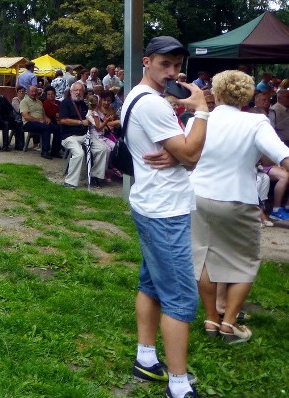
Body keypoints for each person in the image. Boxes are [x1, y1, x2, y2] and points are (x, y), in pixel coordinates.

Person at [121, 36, 209, 398]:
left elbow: (179, 150)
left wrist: (178, 151)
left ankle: (145, 358)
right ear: (147, 61)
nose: (172, 72)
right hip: (164, 210)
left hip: (150, 201)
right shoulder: (154, 105)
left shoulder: (139, 97)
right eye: (164, 65)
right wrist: (201, 108)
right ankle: (177, 382)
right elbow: (191, 154)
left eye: (177, 65)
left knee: (152, 282)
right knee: (181, 298)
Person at [187, 70, 289, 345]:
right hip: (237, 198)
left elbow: (186, 157)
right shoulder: (256, 122)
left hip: (197, 194)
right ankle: (229, 324)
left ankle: (211, 318)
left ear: (216, 93)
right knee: (244, 261)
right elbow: (283, 155)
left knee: (204, 257)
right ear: (247, 96)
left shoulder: (199, 120)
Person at [58, 83, 110, 188]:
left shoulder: (84, 104)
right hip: (69, 136)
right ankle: (70, 182)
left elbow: (91, 120)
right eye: (76, 90)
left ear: (83, 92)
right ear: (71, 92)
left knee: (103, 149)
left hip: (85, 135)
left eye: (80, 90)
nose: (78, 92)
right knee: (79, 153)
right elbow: (63, 120)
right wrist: (81, 122)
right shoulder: (65, 103)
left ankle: (95, 176)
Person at [20, 85, 60, 159]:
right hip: (28, 123)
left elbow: (43, 114)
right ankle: (45, 151)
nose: (34, 93)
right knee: (46, 127)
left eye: (35, 91)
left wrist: (47, 118)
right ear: (28, 92)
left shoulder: (39, 102)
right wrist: (39, 120)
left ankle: (55, 151)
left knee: (57, 128)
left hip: (41, 122)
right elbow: (26, 116)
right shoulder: (24, 101)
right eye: (32, 91)